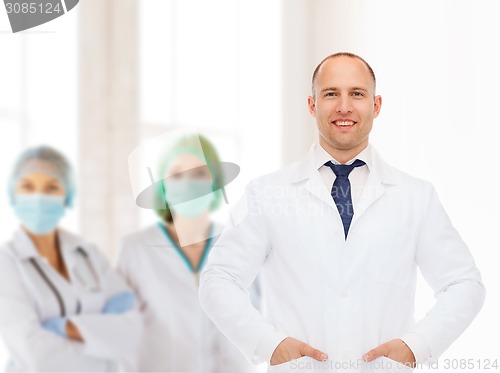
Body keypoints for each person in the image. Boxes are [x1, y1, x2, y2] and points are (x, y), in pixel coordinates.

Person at [199, 52, 485, 372]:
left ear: (376, 106)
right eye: (331, 93)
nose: (344, 107)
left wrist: (417, 346)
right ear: (312, 105)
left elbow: (464, 285)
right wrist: (268, 343)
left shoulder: (415, 197)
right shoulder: (267, 194)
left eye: (357, 94)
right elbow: (218, 280)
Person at [117, 134, 258, 372]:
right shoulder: (136, 250)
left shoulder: (238, 245)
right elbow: (122, 338)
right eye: (176, 175)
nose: (188, 184)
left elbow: (254, 330)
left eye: (199, 173)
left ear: (215, 183)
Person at [0, 145, 143, 372]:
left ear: (67, 195)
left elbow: (131, 331)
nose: (39, 197)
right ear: (12, 195)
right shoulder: (6, 262)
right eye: (27, 187)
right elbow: (35, 356)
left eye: (51, 187)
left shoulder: (88, 253)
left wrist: (63, 327)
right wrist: (100, 343)